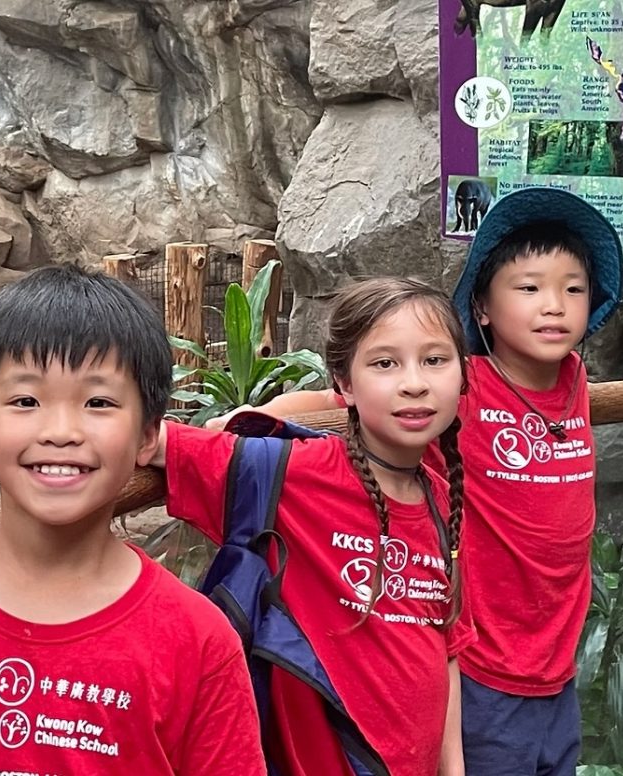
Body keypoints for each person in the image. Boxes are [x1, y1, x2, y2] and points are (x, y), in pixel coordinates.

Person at [211, 188, 623, 775]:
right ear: (481, 309)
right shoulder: (459, 386)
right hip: (485, 668)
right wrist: (258, 416)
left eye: (573, 288)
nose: (554, 305)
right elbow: (348, 401)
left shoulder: (574, 377)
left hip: (556, 669)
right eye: (529, 288)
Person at [0, 264, 266, 776]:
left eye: (98, 402)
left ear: (149, 436)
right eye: (26, 400)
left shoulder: (197, 640)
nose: (61, 431)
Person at [154, 277, 476, 776]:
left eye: (435, 360)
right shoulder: (296, 473)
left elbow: (445, 649)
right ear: (344, 384)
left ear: (462, 374)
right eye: (384, 363)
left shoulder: (443, 501)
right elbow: (151, 443)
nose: (415, 382)